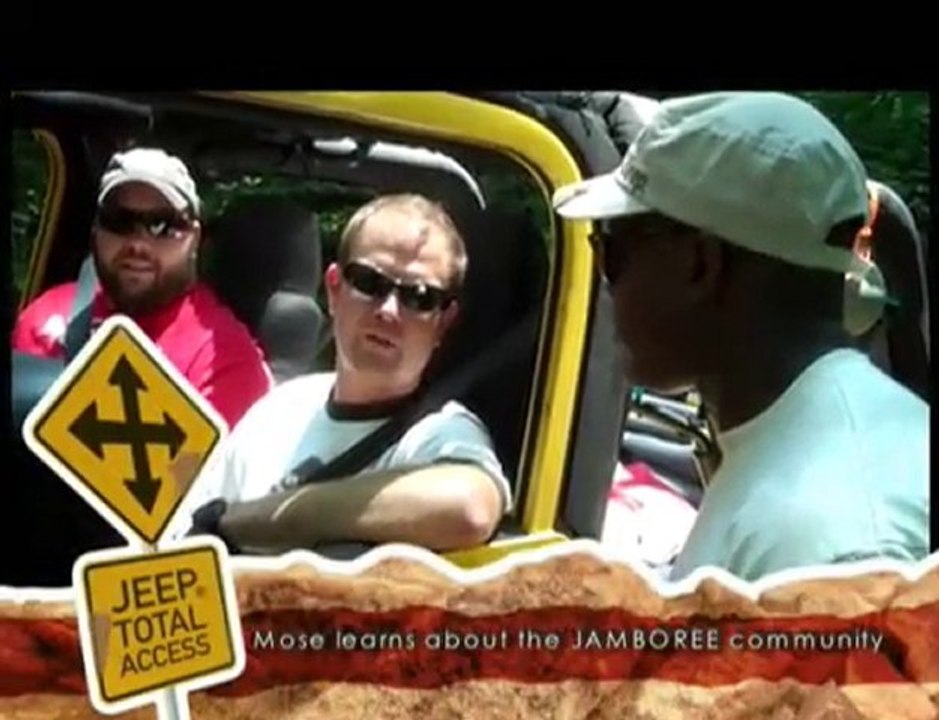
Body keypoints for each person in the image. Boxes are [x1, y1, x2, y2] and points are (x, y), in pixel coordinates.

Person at [552, 92, 930, 581]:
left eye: (611, 249)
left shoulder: (827, 544)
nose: (607, 286)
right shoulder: (797, 443)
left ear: (699, 265)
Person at [184, 193, 510, 553]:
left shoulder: (440, 434)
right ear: (334, 289)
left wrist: (267, 519)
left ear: (443, 323)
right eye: (369, 282)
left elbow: (470, 509)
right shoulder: (275, 412)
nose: (388, 311)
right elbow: (195, 533)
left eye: (419, 298)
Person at [12, 147, 272, 430]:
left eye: (161, 225)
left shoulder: (223, 358)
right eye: (120, 221)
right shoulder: (47, 313)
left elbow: (198, 470)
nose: (138, 244)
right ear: (97, 230)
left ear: (194, 238)